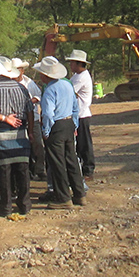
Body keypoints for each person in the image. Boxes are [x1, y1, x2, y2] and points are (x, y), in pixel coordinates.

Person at [0, 57, 35, 217]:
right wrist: (31, 131)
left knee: (3, 169)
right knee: (22, 168)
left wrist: (4, 118)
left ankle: (5, 205)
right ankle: (24, 203)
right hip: (20, 131)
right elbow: (30, 111)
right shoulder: (22, 88)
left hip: (0, 132)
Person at [32, 56, 86, 209]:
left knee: (57, 163)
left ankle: (63, 198)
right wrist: (74, 125)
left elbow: (48, 113)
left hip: (56, 126)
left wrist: (46, 131)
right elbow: (75, 107)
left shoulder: (49, 89)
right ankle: (79, 194)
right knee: (72, 160)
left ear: (46, 75)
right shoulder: (67, 85)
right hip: (68, 123)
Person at [13, 57, 46, 181]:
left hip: (33, 118)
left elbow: (39, 95)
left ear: (22, 70)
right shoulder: (12, 83)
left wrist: (30, 101)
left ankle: (39, 169)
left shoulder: (29, 83)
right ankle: (27, 171)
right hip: (19, 119)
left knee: (37, 145)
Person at [65, 49, 95, 180]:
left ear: (78, 63)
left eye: (72, 63)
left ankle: (88, 169)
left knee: (84, 144)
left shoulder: (81, 77)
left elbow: (68, 91)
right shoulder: (77, 76)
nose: (70, 65)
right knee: (80, 143)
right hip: (79, 114)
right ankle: (84, 169)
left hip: (82, 114)